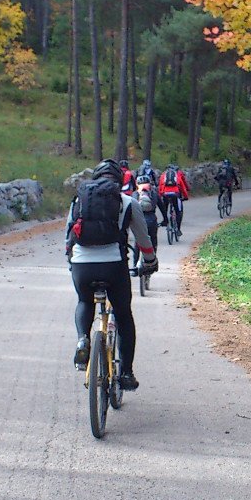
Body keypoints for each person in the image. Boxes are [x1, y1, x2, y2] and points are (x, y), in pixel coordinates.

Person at [67, 158, 158, 390]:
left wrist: (72, 262)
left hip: (82, 265)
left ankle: (82, 339)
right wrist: (150, 261)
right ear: (119, 180)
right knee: (123, 314)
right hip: (113, 265)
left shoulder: (79, 199)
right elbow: (143, 239)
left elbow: (69, 236)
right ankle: (126, 373)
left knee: (84, 300)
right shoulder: (128, 202)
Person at [157, 162, 190, 234]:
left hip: (165, 194)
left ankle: (165, 221)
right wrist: (186, 197)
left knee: (164, 210)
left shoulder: (163, 175)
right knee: (178, 212)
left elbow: (160, 187)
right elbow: (183, 188)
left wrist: (160, 196)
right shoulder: (177, 175)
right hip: (175, 194)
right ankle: (178, 229)